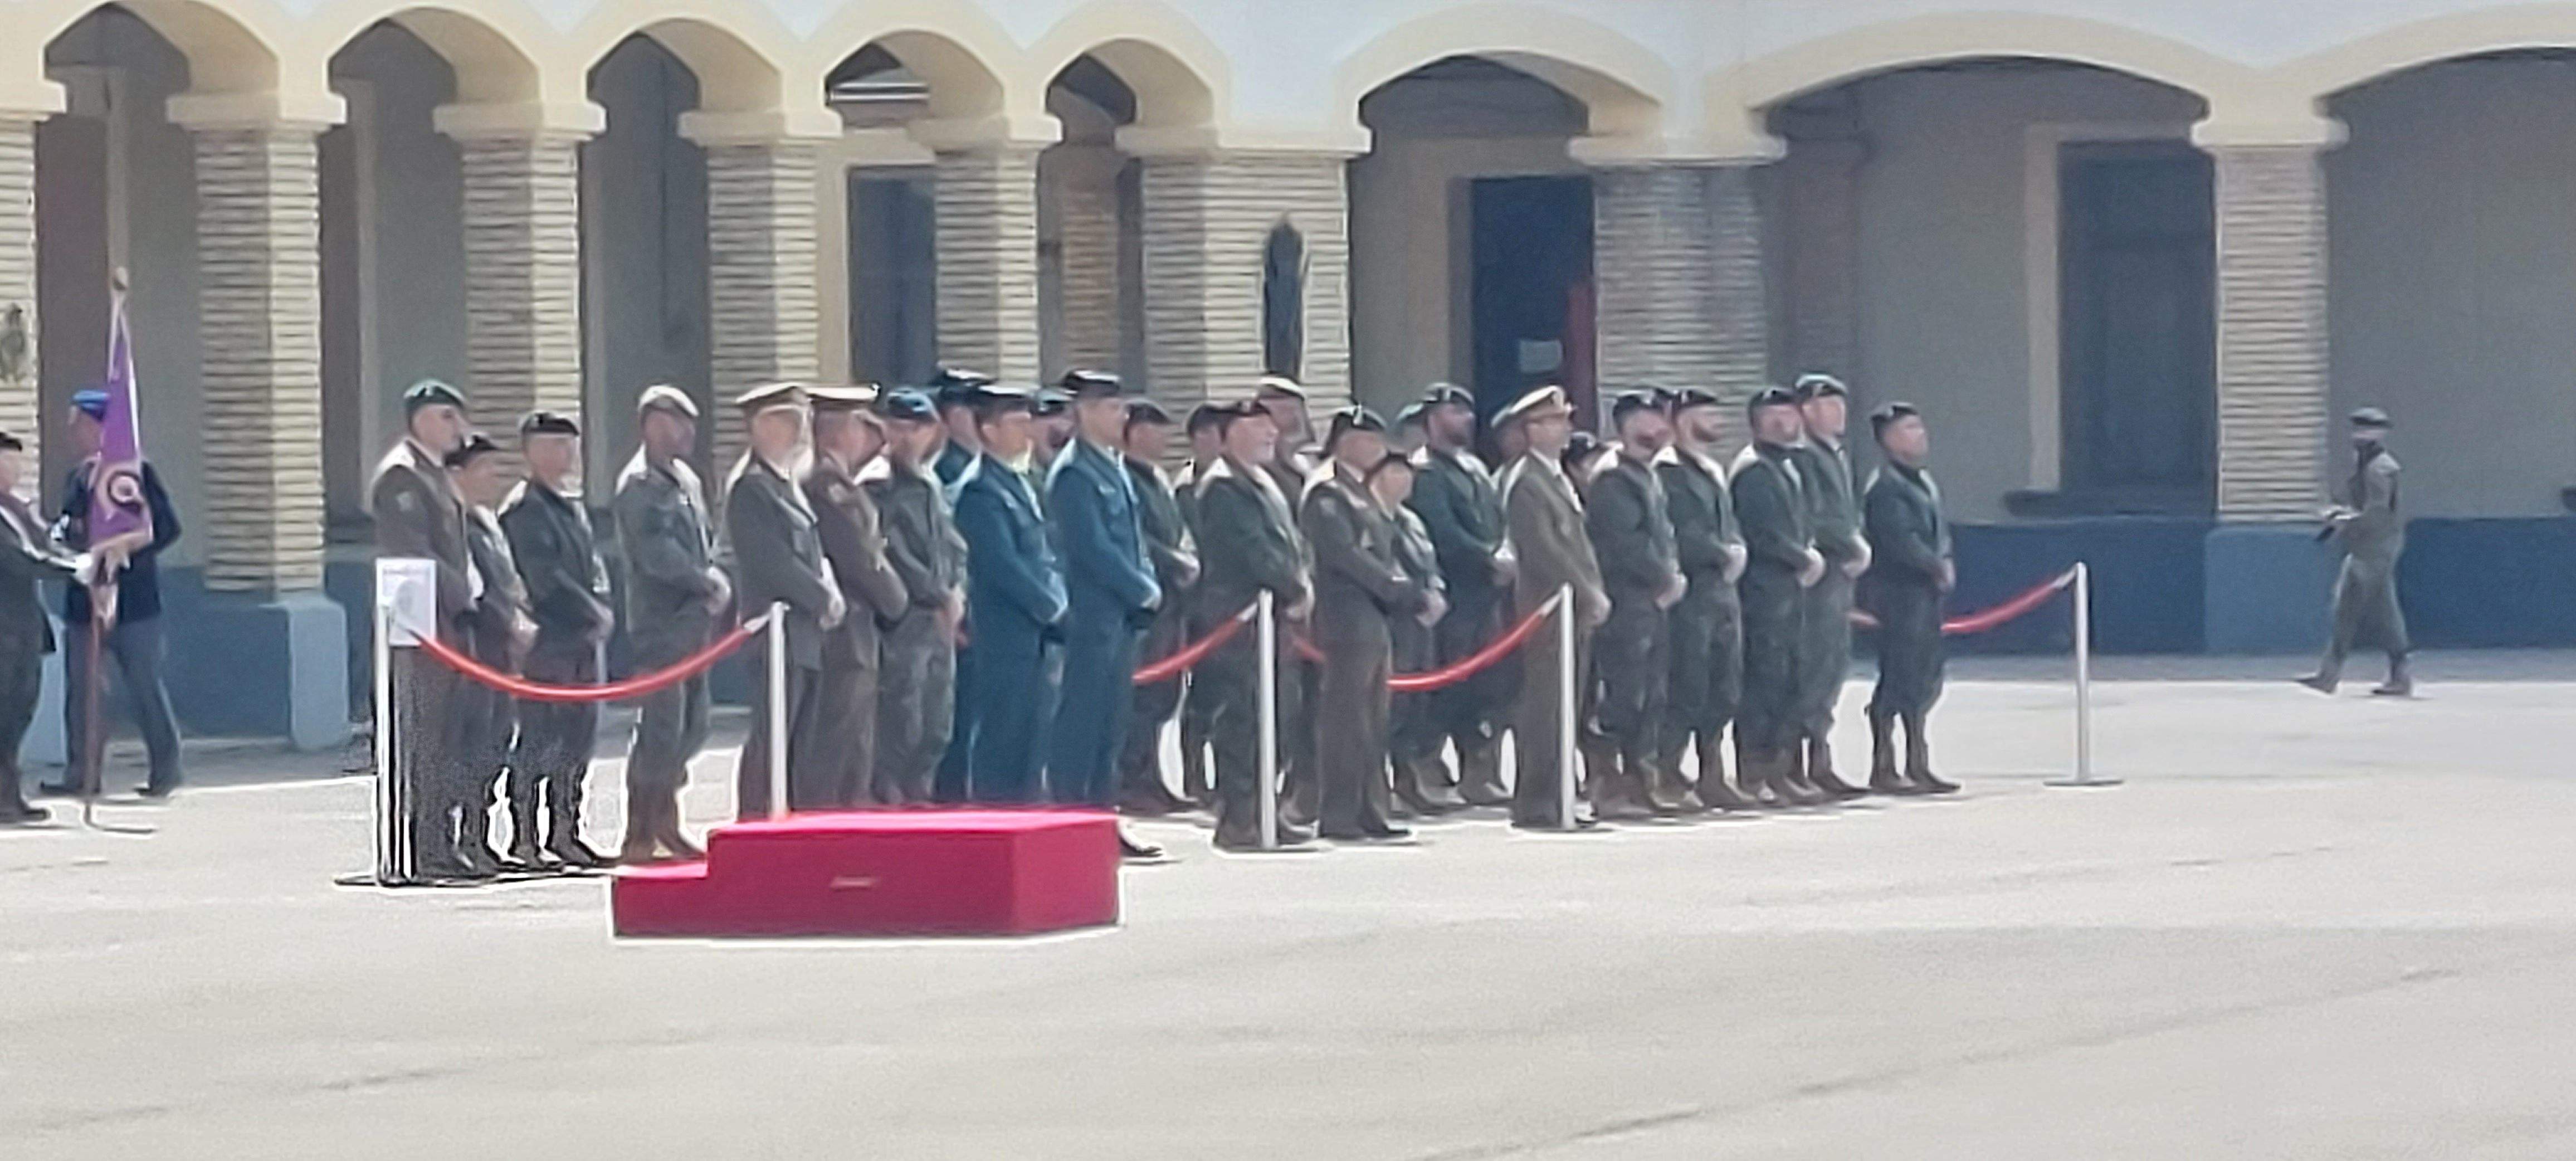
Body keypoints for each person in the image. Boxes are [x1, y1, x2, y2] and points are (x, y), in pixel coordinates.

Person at [1302, 407, 1437, 842]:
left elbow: (1385, 548)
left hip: (1375, 614)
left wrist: (1408, 587)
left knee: (1372, 718)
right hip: (1346, 614)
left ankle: (1371, 808)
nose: (1377, 449)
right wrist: (1400, 589)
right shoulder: (1327, 493)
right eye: (1368, 439)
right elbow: (1348, 556)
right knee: (1346, 718)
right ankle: (1340, 812)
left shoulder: (1360, 491)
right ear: (1345, 442)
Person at [1045, 372, 1165, 859]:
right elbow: (1090, 547)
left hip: (1118, 617)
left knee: (1110, 725)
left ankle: (1101, 819)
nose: (1122, 418)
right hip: (1091, 615)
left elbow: (1133, 540)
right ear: (1086, 413)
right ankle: (1075, 822)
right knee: (1082, 725)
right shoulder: (1073, 473)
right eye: (1113, 409)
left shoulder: (1111, 467)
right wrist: (1140, 588)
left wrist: (1147, 582)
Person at [45, 388, 182, 799]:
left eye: (81, 425)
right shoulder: (80, 476)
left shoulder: (135, 474)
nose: (74, 434)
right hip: (84, 599)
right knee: (82, 691)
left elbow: (166, 528)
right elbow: (69, 526)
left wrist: (127, 547)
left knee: (143, 685)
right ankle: (82, 774)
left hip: (134, 603)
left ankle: (165, 768)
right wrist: (67, 537)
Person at [370, 379, 480, 879]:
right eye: (446, 417)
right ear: (418, 420)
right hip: (421, 629)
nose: (458, 428)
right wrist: (462, 589)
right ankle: (420, 844)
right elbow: (413, 552)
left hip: (448, 624)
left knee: (449, 736)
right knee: (424, 740)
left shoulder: (435, 475)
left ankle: (443, 838)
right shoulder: (403, 477)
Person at [1194, 402, 1315, 850]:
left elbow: (1291, 543)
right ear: (1228, 436)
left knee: (1278, 714)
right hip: (1241, 617)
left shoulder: (1265, 481)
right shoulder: (1224, 487)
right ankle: (1238, 815)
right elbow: (1252, 551)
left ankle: (1267, 807)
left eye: (1269, 427)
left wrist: (1301, 582)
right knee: (1243, 718)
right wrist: (1291, 586)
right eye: (1255, 428)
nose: (1268, 435)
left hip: (1274, 618)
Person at [612, 386, 723, 862]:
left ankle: (666, 818)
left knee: (693, 726)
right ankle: (642, 828)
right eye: (676, 422)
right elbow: (656, 554)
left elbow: (704, 540)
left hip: (696, 625)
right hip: (661, 624)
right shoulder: (639, 485)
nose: (686, 433)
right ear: (652, 425)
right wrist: (704, 581)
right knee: (661, 726)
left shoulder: (686, 481)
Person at [498, 410, 613, 868]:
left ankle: (566, 830)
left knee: (576, 739)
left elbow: (591, 568)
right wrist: (590, 610)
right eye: (550, 446)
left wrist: (600, 605)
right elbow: (545, 578)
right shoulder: (525, 509)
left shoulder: (571, 506)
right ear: (529, 451)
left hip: (581, 642)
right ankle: (525, 835)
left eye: (568, 446)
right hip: (548, 640)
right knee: (539, 738)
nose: (562, 455)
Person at [725, 382, 842, 819]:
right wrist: (820, 597)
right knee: (771, 738)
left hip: (803, 632)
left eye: (801, 422)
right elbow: (772, 563)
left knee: (797, 738)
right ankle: (755, 820)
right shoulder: (751, 488)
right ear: (760, 427)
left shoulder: (786, 484)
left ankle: (784, 815)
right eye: (787, 423)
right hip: (777, 630)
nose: (798, 433)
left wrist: (828, 588)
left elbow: (811, 549)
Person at [1497, 386, 1609, 830]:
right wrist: (1586, 590)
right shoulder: (1526, 481)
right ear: (1532, 430)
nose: (1566, 428)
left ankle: (1559, 795)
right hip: (1547, 607)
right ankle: (1537, 801)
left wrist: (1591, 589)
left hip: (1570, 607)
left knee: (1568, 704)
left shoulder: (1555, 476)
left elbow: (1578, 546)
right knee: (1546, 707)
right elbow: (1545, 550)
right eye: (1555, 421)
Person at [953, 384, 1067, 803]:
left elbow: (1044, 553)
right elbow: (1002, 565)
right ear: (988, 430)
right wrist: (1050, 606)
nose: (1026, 431)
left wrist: (1059, 603)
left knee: (1034, 738)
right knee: (1003, 736)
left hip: (1037, 634)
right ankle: (994, 817)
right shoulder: (980, 489)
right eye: (1016, 423)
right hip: (1005, 630)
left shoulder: (1017, 481)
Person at [0, 429, 116, 826]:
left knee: (18, 713)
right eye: (5, 462)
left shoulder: (18, 510)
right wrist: (76, 570)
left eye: (15, 462)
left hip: (23, 629)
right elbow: (21, 559)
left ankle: (9, 795)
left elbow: (46, 547)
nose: (12, 471)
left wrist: (84, 560)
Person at [803, 385, 910, 807]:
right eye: (860, 426)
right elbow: (860, 558)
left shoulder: (842, 479)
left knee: (858, 738)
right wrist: (897, 600)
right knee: (838, 737)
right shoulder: (826, 484)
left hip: (861, 625)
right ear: (839, 432)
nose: (869, 437)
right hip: (846, 628)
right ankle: (828, 820)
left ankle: (851, 813)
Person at [1407, 384, 1514, 807]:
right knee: (1447, 685)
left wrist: (1503, 551)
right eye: (1454, 412)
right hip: (1455, 592)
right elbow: (1443, 533)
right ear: (1432, 419)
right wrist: (1487, 557)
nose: (1464, 420)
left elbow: (1496, 519)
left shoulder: (1472, 467)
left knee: (1485, 688)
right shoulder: (1426, 472)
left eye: (1466, 411)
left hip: (1485, 594)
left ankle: (1478, 769)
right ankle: (1427, 767)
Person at [1585, 391, 1690, 817]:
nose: (1657, 428)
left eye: (1660, 419)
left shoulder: (1646, 474)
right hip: (1626, 600)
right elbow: (1624, 544)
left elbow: (1663, 536)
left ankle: (1640, 779)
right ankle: (1609, 785)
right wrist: (1664, 577)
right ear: (1624, 426)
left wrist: (1673, 575)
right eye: (1646, 420)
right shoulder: (1614, 477)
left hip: (1653, 601)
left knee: (1652, 694)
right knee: (1623, 695)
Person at [865, 388, 969, 804]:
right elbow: (890, 547)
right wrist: (937, 593)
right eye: (899, 428)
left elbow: (954, 544)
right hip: (905, 615)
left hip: (940, 618)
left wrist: (959, 590)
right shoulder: (879, 483)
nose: (908, 439)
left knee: (936, 716)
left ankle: (919, 789)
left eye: (917, 429)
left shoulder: (930, 481)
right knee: (900, 711)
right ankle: (891, 791)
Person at [1655, 388, 1754, 811]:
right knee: (1688, 684)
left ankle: (1712, 769)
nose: (1714, 421)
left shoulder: (1712, 469)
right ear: (1679, 419)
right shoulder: (1668, 471)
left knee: (1724, 686)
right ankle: (1667, 768)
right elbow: (1683, 531)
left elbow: (1727, 525)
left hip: (1722, 593)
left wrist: (1736, 550)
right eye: (1703, 414)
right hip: (1692, 592)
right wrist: (1721, 553)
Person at [1732, 387, 1828, 808]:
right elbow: (1763, 533)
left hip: (1791, 589)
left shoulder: (1789, 467)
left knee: (1792, 678)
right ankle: (1755, 771)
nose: (1783, 424)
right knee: (1764, 682)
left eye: (1788, 416)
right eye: (1773, 418)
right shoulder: (1753, 470)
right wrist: (1800, 556)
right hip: (1765, 589)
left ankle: (1783, 767)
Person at [1859, 403, 1959, 794]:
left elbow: (1940, 532)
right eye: (1908, 429)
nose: (1919, 435)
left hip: (1925, 593)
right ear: (1888, 439)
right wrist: (1933, 564)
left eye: (1919, 427)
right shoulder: (1886, 487)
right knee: (1899, 676)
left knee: (1924, 676)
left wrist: (1944, 560)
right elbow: (1898, 539)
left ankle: (1918, 760)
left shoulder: (1923, 482)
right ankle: (1885, 764)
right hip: (1898, 591)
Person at [450, 433, 534, 875]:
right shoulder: (457, 526)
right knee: (474, 747)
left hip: (505, 656)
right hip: (478, 654)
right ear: (457, 475)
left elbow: (509, 584)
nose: (492, 479)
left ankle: (483, 836)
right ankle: (465, 836)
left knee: (496, 746)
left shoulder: (490, 522)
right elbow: (476, 595)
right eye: (483, 469)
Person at [1787, 375, 1869, 798]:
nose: (1835, 412)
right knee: (1814, 662)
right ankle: (1798, 760)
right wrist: (1847, 543)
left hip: (1839, 576)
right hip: (1817, 578)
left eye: (1838, 403)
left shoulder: (1835, 454)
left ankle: (1820, 754)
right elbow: (1816, 515)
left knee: (1834, 662)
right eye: (1824, 404)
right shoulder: (1803, 457)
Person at [1118, 398, 1199, 817]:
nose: (1163, 438)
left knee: (1164, 696)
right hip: (1149, 599)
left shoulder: (1155, 478)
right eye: (1155, 429)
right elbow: (1141, 539)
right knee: (1143, 696)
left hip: (1173, 602)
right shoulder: (1124, 478)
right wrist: (1174, 561)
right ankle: (1131, 779)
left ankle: (1151, 776)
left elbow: (1176, 529)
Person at [2300, 408, 2412, 697]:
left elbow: (2378, 512)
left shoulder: (2381, 468)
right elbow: (2352, 500)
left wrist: (2343, 521)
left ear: (2380, 433)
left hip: (2377, 547)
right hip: (2367, 546)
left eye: (2367, 430)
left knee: (2373, 612)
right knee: (2354, 608)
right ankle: (2332, 675)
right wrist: (2337, 512)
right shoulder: (2364, 465)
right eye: (2357, 429)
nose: (2360, 435)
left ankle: (2391, 675)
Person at [1375, 452, 1453, 817]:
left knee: (1417, 704)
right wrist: (1414, 598)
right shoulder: (1375, 520)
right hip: (1395, 621)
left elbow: (1429, 561)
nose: (1403, 481)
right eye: (1394, 473)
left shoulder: (1411, 521)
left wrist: (1435, 592)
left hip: (1423, 623)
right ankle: (1381, 784)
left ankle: (1409, 777)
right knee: (1389, 706)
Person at [931, 367, 993, 804]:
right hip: (961, 605)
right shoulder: (947, 471)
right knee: (957, 714)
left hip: (987, 605)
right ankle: (952, 796)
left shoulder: (979, 467)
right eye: (969, 410)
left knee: (978, 711)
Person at [1170, 402, 1230, 808]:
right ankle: (1193, 769)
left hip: (1230, 601)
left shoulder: (1232, 482)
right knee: (1201, 691)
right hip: (1196, 600)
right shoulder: (1185, 488)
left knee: (1226, 690)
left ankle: (1221, 774)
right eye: (1206, 435)